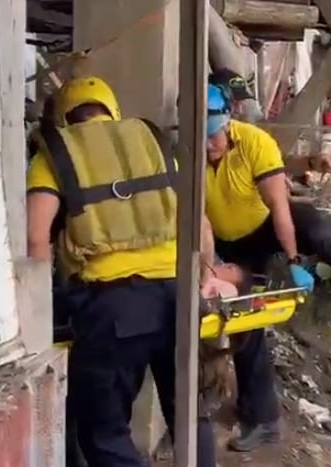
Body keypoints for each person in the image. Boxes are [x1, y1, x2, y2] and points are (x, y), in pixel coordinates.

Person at [201, 84, 331, 452]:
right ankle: (263, 420)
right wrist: (210, 267)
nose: (208, 145)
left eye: (213, 137)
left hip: (268, 224)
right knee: (244, 319)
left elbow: (280, 209)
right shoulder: (186, 155)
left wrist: (293, 260)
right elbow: (199, 222)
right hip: (228, 243)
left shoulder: (254, 143)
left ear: (227, 125)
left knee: (323, 231)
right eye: (200, 138)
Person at [26, 75, 218, 467]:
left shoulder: (57, 153)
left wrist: (37, 313)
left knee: (104, 432)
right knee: (188, 416)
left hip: (112, 308)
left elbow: (34, 236)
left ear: (64, 117)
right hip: (176, 296)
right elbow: (198, 222)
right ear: (112, 110)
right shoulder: (152, 143)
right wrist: (204, 278)